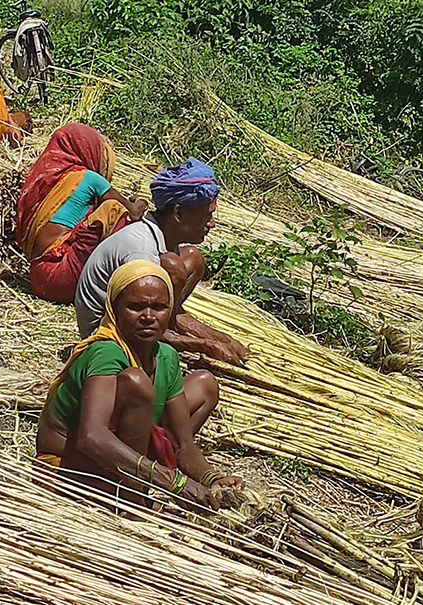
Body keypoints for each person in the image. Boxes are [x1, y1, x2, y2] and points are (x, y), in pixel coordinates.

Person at [36, 260, 244, 511]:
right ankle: (130, 498)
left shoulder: (166, 356)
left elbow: (182, 443)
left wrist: (212, 479)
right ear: (114, 310)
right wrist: (173, 481)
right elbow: (92, 437)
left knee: (204, 383)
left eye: (159, 307)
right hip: (69, 470)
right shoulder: (106, 352)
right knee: (137, 383)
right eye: (135, 307)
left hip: (121, 455)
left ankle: (137, 477)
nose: (148, 317)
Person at [74, 158, 249, 365]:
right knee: (174, 267)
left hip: (138, 317)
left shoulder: (165, 239)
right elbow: (136, 322)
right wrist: (205, 346)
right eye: (207, 215)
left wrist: (224, 339)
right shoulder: (141, 251)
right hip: (108, 336)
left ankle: (171, 333)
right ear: (179, 213)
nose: (211, 223)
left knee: (192, 258)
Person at [17, 123, 147, 303]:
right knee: (111, 210)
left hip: (37, 278)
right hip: (63, 279)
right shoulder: (88, 177)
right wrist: (142, 200)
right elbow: (133, 213)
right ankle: (129, 280)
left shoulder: (41, 178)